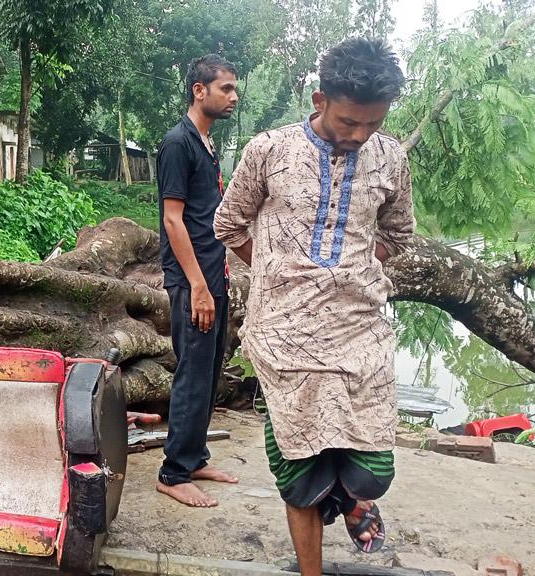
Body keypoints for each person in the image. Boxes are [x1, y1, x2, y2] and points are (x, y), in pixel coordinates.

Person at [214, 37, 414, 570]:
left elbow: (398, 231)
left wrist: (353, 269)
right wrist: (278, 268)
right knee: (302, 477)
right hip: (283, 334)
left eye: (371, 124)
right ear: (319, 98)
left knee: (373, 468)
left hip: (358, 331)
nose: (359, 135)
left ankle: (352, 497)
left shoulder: (390, 157)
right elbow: (228, 224)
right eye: (349, 121)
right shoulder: (270, 151)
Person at [154, 54, 241, 508]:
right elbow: (173, 220)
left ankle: (194, 456)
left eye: (234, 88)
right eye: (225, 87)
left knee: (209, 371)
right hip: (193, 281)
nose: (234, 96)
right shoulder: (178, 143)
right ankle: (172, 471)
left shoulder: (207, 145)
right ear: (199, 90)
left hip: (214, 273)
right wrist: (198, 286)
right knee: (192, 372)